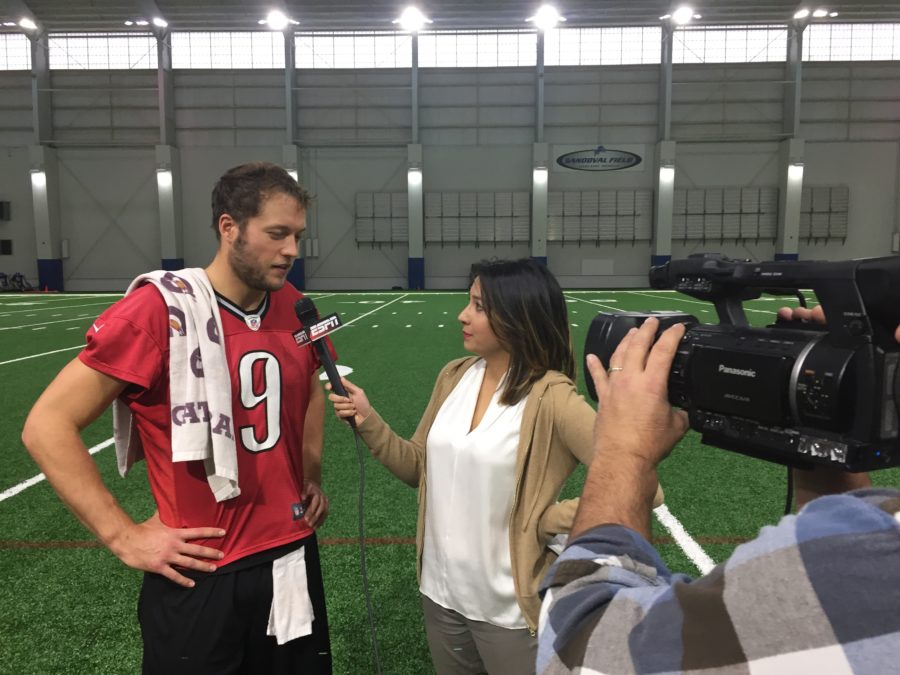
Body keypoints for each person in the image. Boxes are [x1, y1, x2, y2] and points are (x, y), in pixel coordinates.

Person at [22, 162, 333, 674]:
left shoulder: (297, 307)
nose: (292, 251)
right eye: (277, 234)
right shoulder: (158, 310)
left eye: (298, 235)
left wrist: (310, 472)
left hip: (290, 557)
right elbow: (47, 424)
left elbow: (311, 390)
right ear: (228, 227)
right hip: (203, 570)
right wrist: (123, 536)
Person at [328, 258, 663, 675]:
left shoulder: (552, 397)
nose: (462, 315)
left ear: (519, 316)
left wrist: (549, 518)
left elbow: (641, 485)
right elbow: (419, 467)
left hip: (508, 612)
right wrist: (368, 420)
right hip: (440, 595)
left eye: (479, 306)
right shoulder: (453, 377)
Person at [537, 311, 900, 674]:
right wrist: (820, 421)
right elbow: (836, 571)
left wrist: (622, 451)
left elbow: (579, 648)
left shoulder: (877, 561)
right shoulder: (875, 541)